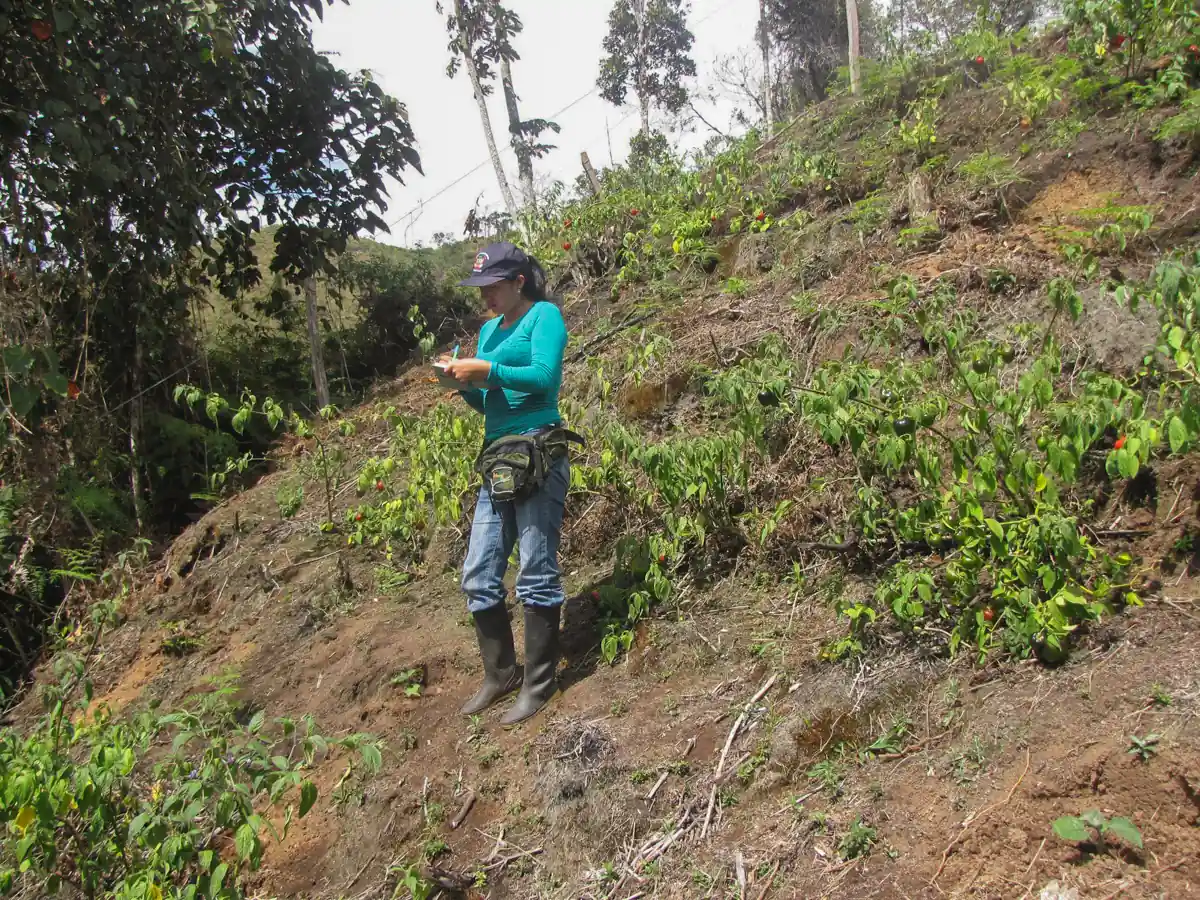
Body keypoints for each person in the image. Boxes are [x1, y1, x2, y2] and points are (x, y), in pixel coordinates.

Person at [440, 241, 575, 725]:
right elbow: (491, 404)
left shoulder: (544, 317)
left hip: (538, 449)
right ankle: (501, 674)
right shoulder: (488, 330)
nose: (487, 299)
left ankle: (539, 684)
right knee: (479, 572)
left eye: (493, 287)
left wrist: (487, 369)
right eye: (482, 290)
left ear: (518, 282)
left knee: (535, 569)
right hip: (498, 457)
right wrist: (463, 388)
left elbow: (543, 378)